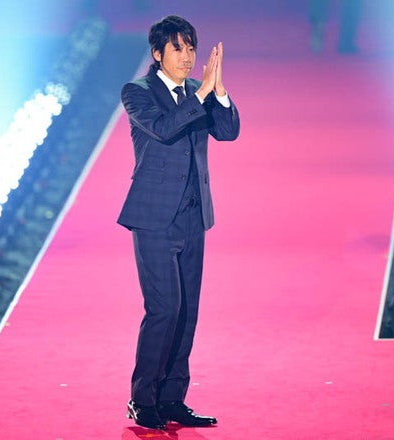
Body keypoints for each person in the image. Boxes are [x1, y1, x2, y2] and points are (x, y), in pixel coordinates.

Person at [118, 15, 240, 430]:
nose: (187, 57)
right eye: (177, 48)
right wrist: (201, 92)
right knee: (164, 309)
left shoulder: (197, 91)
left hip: (192, 216)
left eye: (191, 48)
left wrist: (218, 91)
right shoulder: (138, 92)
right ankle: (142, 399)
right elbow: (164, 129)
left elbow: (228, 131)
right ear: (157, 53)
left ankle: (172, 398)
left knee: (187, 311)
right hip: (153, 218)